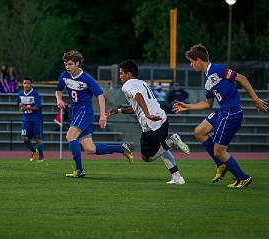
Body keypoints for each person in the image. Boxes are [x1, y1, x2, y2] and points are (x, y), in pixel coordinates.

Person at [173, 43, 269, 189]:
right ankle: (221, 165)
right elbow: (207, 104)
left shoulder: (217, 70)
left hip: (231, 113)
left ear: (199, 59)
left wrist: (255, 99)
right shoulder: (208, 79)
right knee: (199, 132)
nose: (191, 65)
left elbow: (242, 78)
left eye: (192, 62)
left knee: (219, 151)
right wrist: (187, 106)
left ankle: (243, 177)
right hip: (222, 111)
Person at [106, 60, 190, 184]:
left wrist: (147, 114)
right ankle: (177, 178)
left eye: (121, 73)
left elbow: (138, 96)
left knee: (147, 157)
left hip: (151, 125)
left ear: (129, 74)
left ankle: (172, 141)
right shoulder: (142, 83)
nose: (120, 76)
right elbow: (137, 106)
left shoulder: (127, 85)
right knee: (162, 149)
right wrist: (119, 110)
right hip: (162, 119)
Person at [55, 50, 133, 178]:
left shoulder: (86, 78)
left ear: (77, 63)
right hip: (75, 113)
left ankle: (79, 170)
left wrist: (102, 115)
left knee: (70, 136)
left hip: (85, 112)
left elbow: (100, 96)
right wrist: (59, 99)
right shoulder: (64, 76)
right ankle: (122, 148)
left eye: (70, 64)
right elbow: (58, 90)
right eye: (65, 64)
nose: (67, 67)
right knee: (90, 149)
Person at [18, 77, 45, 161]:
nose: (26, 85)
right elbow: (20, 105)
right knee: (24, 137)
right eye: (25, 83)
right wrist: (22, 108)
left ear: (31, 84)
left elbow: (38, 107)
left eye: (28, 83)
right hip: (26, 120)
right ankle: (34, 151)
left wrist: (26, 108)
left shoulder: (35, 94)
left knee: (38, 139)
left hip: (36, 120)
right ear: (22, 84)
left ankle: (41, 157)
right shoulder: (20, 94)